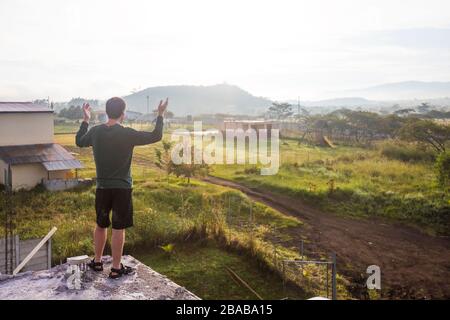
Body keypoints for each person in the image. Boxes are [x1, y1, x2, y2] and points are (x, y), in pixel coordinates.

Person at [76, 96, 168, 279]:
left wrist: (86, 120)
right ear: (123, 114)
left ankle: (97, 261)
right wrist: (160, 114)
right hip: (122, 189)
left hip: (102, 188)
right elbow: (156, 135)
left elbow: (79, 141)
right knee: (118, 228)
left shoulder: (95, 132)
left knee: (101, 225)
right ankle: (116, 268)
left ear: (107, 112)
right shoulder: (127, 134)